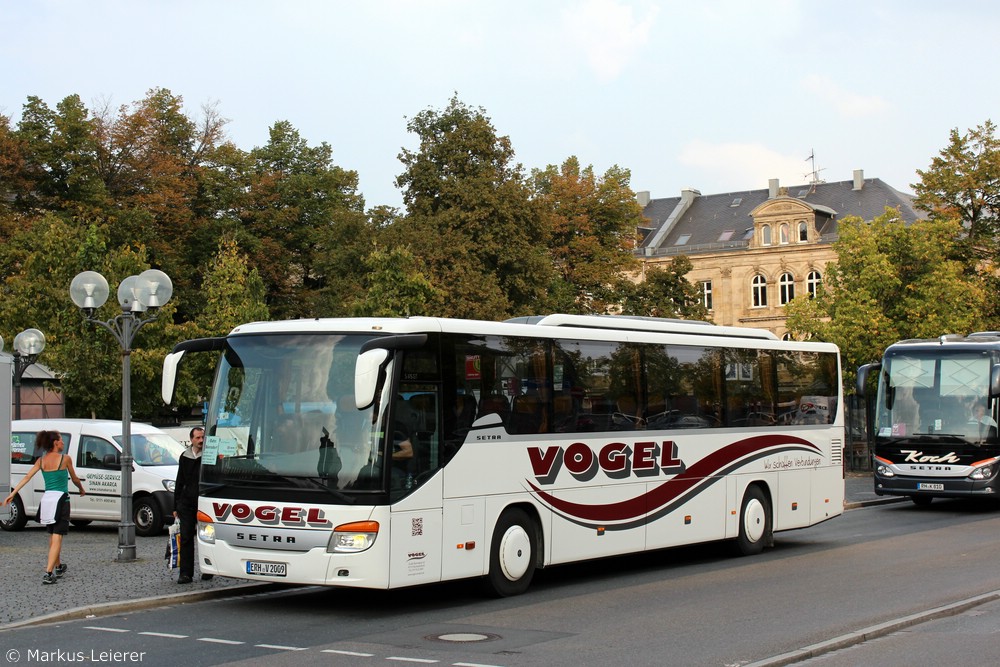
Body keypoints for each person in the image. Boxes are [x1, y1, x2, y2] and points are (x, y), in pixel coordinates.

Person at [2, 431, 85, 585]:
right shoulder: (65, 459)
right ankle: (48, 572)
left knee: (53, 534)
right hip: (61, 501)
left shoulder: (41, 461)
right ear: (55, 442)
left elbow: (27, 477)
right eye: (61, 440)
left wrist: (13, 493)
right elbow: (74, 478)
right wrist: (81, 488)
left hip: (47, 501)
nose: (63, 443)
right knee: (57, 535)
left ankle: (59, 566)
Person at [172, 426, 211, 584]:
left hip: (204, 502)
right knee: (187, 537)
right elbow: (179, 480)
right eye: (198, 438)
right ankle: (185, 573)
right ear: (191, 440)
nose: (201, 440)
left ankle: (208, 569)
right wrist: (176, 506)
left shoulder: (209, 455)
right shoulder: (185, 456)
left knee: (207, 537)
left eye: (202, 437)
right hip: (187, 503)